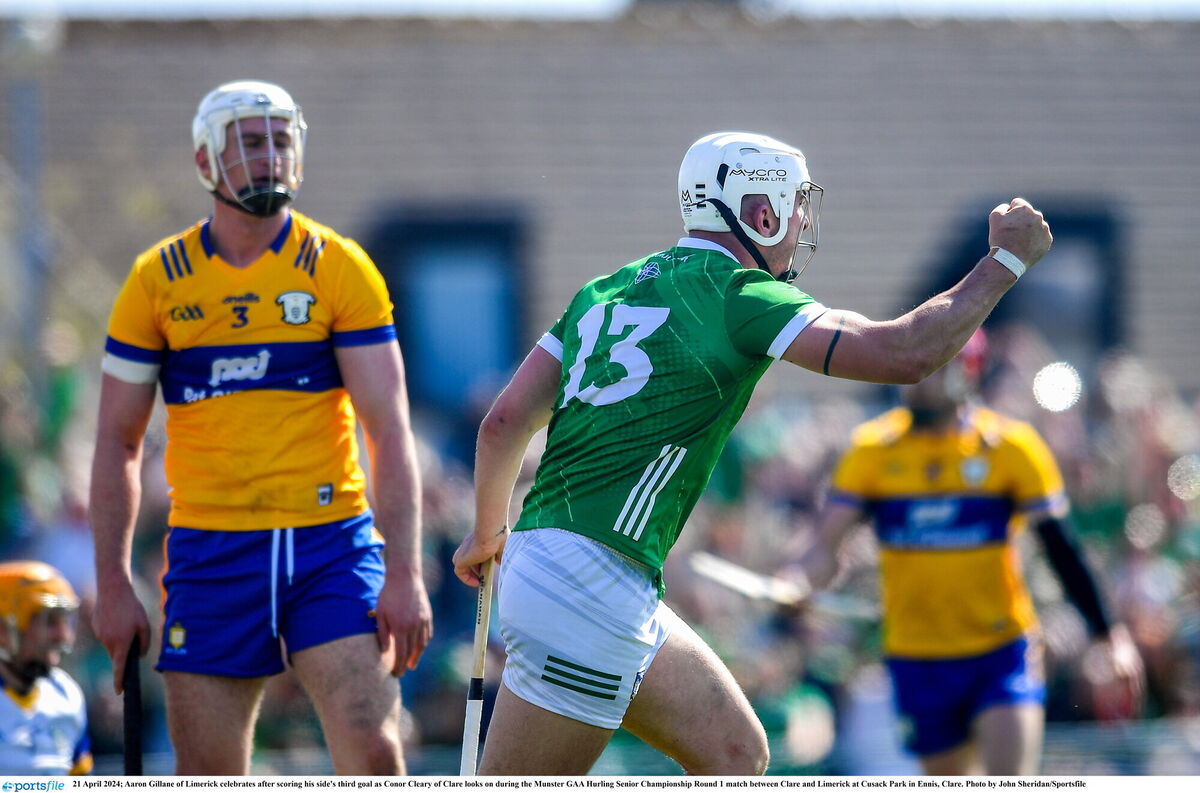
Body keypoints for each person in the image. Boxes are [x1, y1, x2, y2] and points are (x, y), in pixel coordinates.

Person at [451, 130, 1054, 775]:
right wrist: (1004, 265)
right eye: (795, 207)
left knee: (736, 753)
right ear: (759, 212)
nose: (800, 224)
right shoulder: (739, 294)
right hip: (595, 582)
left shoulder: (602, 291)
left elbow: (504, 423)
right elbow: (900, 353)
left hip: (553, 567)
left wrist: (487, 533)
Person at [88, 80, 431, 775]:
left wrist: (406, 571)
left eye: (280, 139)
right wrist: (113, 583)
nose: (270, 155)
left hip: (330, 548)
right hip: (210, 557)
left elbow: (389, 428)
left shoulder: (340, 267)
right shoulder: (157, 281)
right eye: (250, 141)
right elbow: (117, 442)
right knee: (209, 772)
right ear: (206, 160)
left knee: (375, 750)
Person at [791, 329, 1145, 775]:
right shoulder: (872, 451)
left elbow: (1063, 551)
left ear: (968, 372)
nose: (915, 378)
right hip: (916, 656)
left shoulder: (1012, 448)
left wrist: (1108, 635)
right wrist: (797, 582)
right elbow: (825, 546)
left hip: (999, 651)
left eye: (930, 365)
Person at [0, 561, 91, 775]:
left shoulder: (66, 694)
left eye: (65, 621)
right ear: (3, 628)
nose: (63, 635)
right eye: (49, 621)